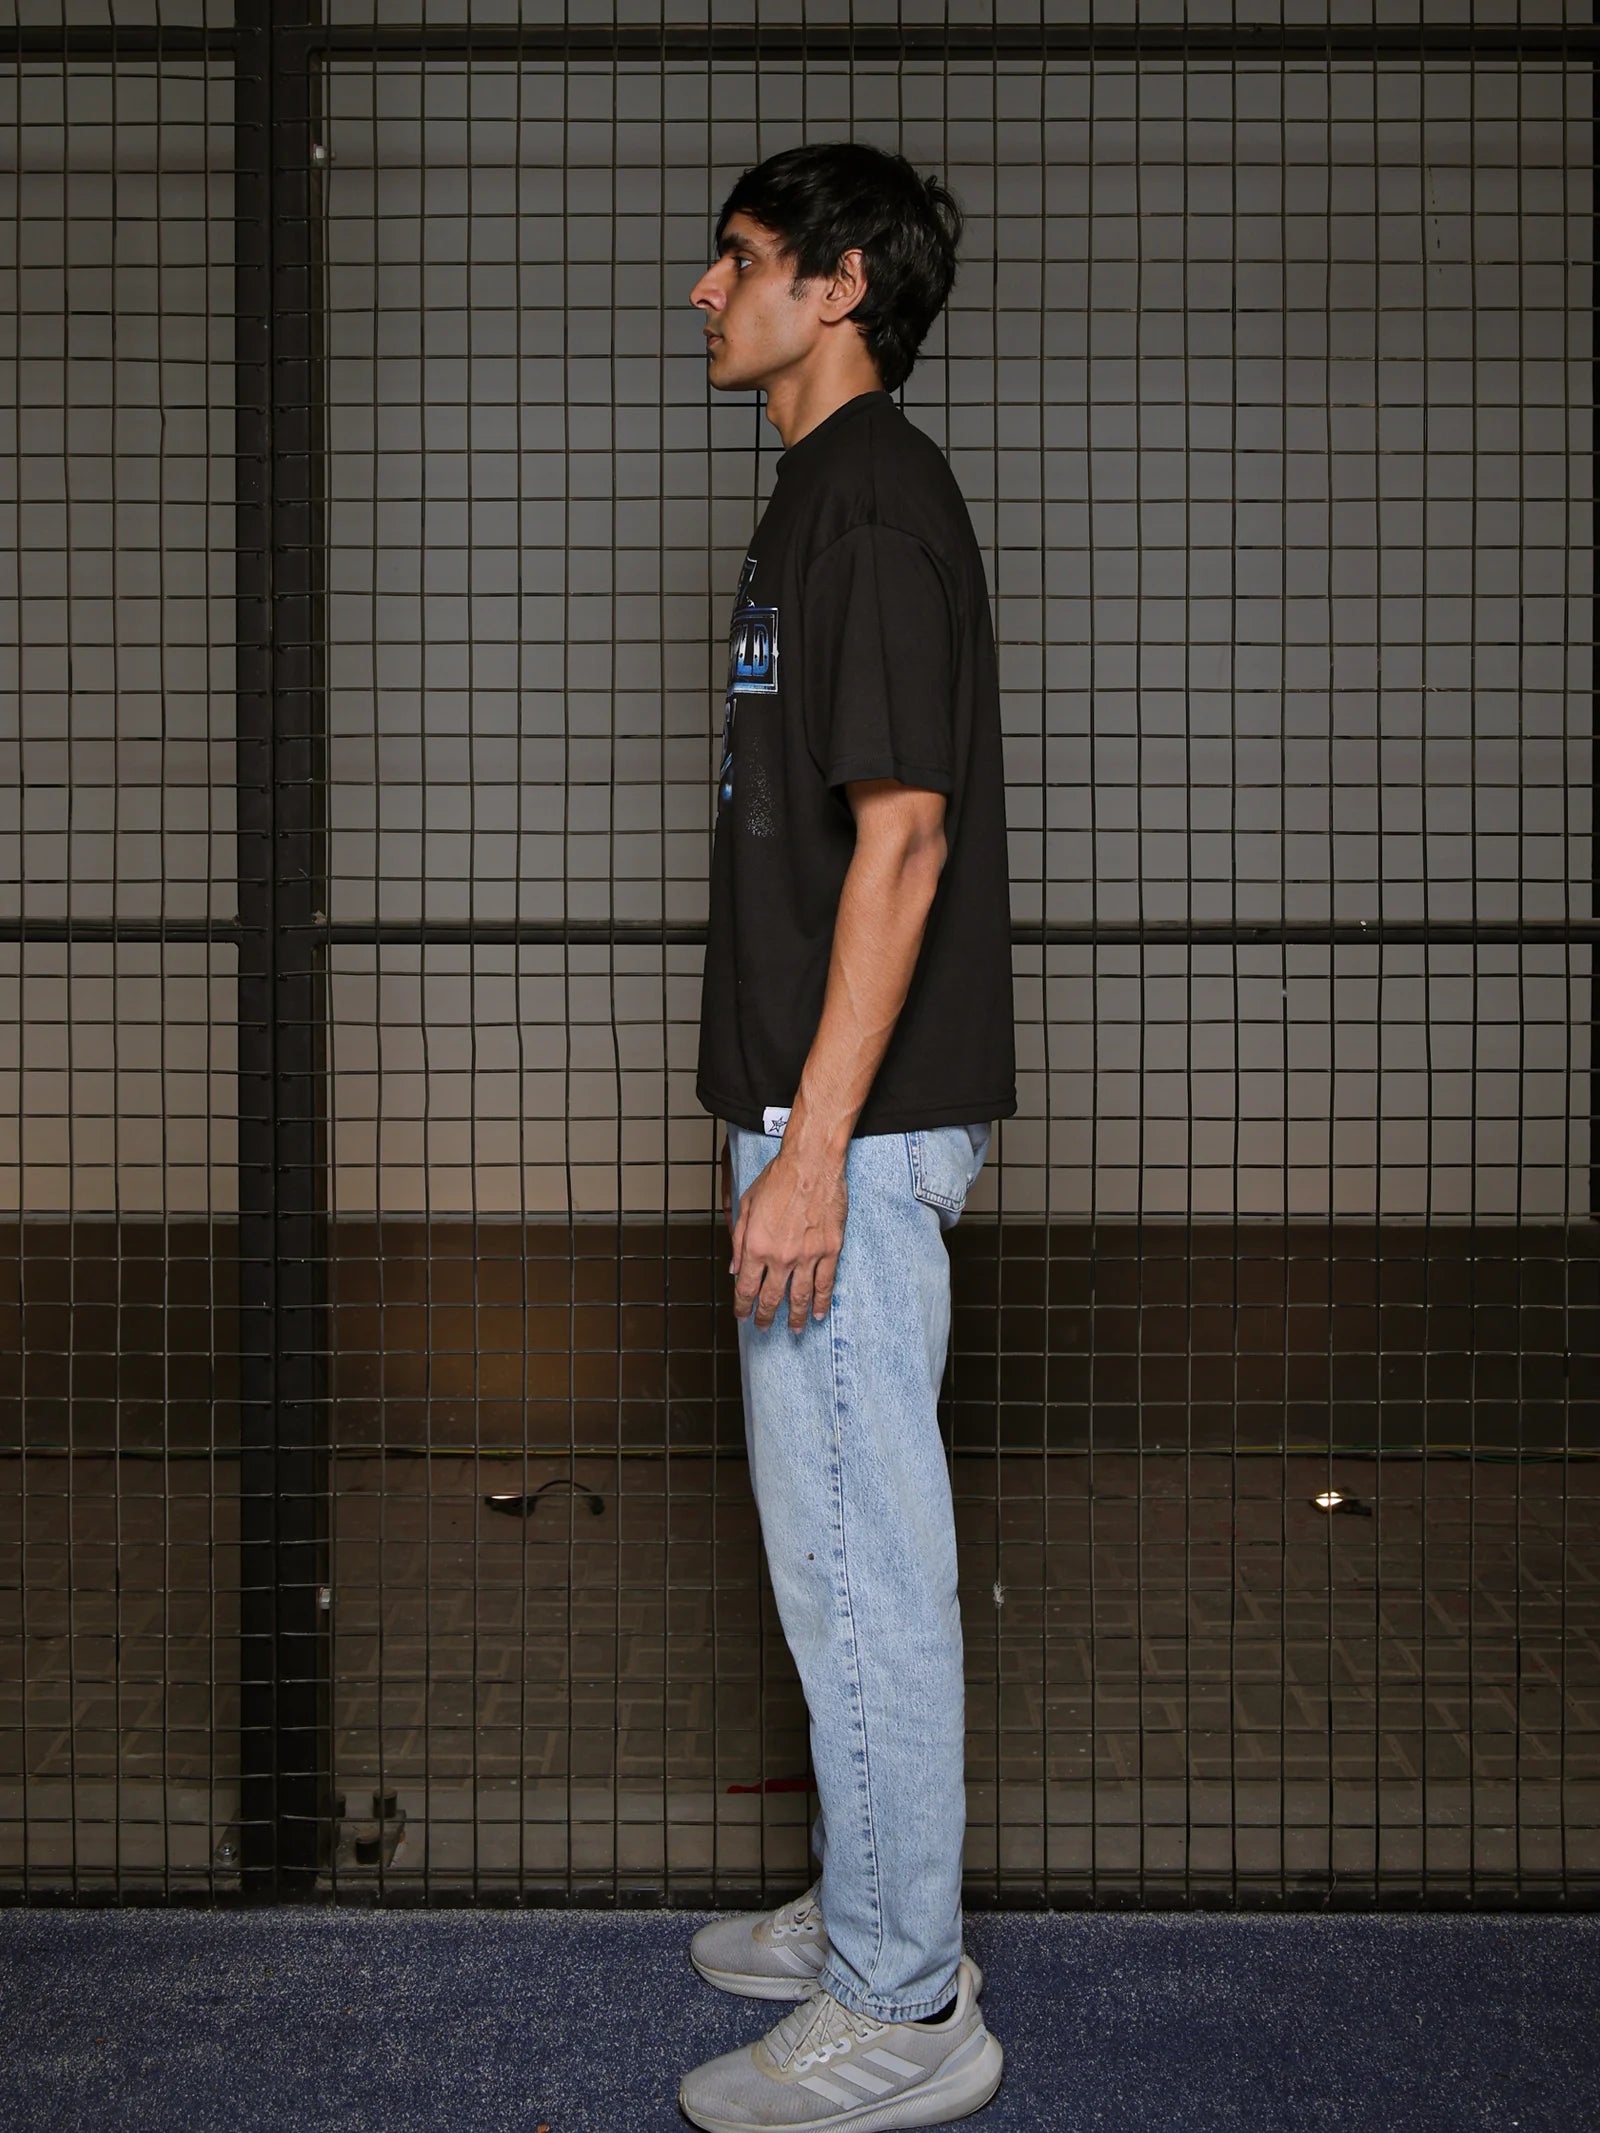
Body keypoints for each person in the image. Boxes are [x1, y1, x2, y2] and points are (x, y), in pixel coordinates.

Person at [678, 141, 1017, 2133]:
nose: (698, 293)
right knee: (830, 1544)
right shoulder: (822, 493)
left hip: (852, 1135)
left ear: (831, 284)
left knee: (857, 1558)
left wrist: (808, 1148)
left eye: (732, 262)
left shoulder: (871, 503)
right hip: (829, 1119)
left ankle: (903, 2008)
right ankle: (871, 1912)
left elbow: (902, 837)